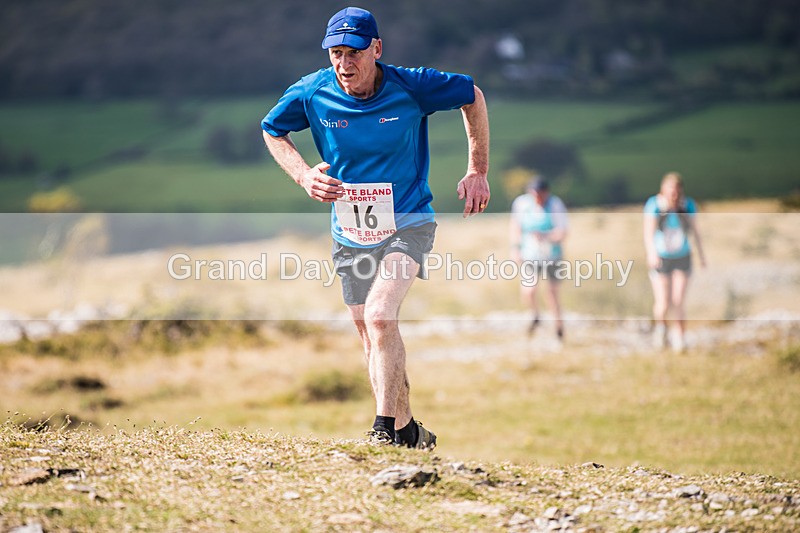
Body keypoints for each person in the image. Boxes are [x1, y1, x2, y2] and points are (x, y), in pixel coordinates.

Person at [261, 7, 490, 448]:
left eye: (355, 53)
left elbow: (472, 95)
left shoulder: (412, 85)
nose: (345, 64)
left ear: (377, 49)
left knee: (381, 315)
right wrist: (304, 175)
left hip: (409, 221)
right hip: (349, 230)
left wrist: (477, 169)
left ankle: (382, 431)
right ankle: (408, 431)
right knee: (371, 333)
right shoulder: (313, 92)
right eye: (336, 53)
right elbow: (272, 129)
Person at [643, 172, 706, 352]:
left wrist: (701, 255)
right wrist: (651, 254)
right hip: (661, 257)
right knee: (663, 302)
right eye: (671, 190)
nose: (674, 194)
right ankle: (661, 329)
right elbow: (648, 232)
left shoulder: (687, 206)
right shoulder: (655, 205)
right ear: (663, 190)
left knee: (678, 300)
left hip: (682, 256)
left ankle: (680, 338)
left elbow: (696, 231)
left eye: (677, 191)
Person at [510, 176, 568, 340]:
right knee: (528, 290)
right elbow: (515, 226)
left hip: (552, 255)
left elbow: (563, 232)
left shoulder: (555, 205)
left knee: (552, 293)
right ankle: (535, 315)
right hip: (530, 254)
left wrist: (546, 236)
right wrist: (515, 248)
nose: (538, 198)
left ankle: (558, 328)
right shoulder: (522, 204)